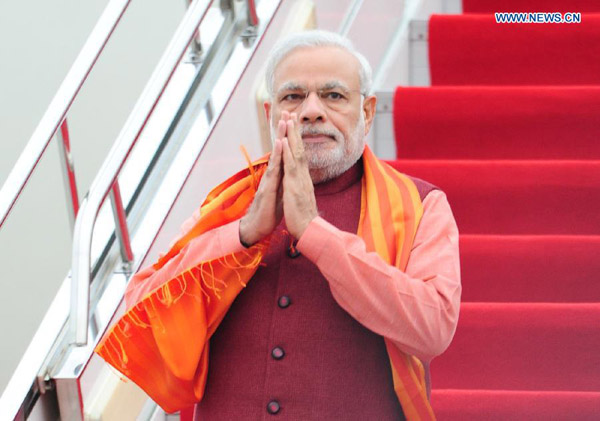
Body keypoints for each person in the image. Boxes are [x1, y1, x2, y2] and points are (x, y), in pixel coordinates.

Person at [95, 30, 460, 421]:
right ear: (270, 115)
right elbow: (142, 312)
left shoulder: (419, 205)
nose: (312, 111)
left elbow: (433, 327)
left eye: (334, 96)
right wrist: (242, 235)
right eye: (293, 97)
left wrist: (315, 234)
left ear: (367, 112)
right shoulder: (234, 203)